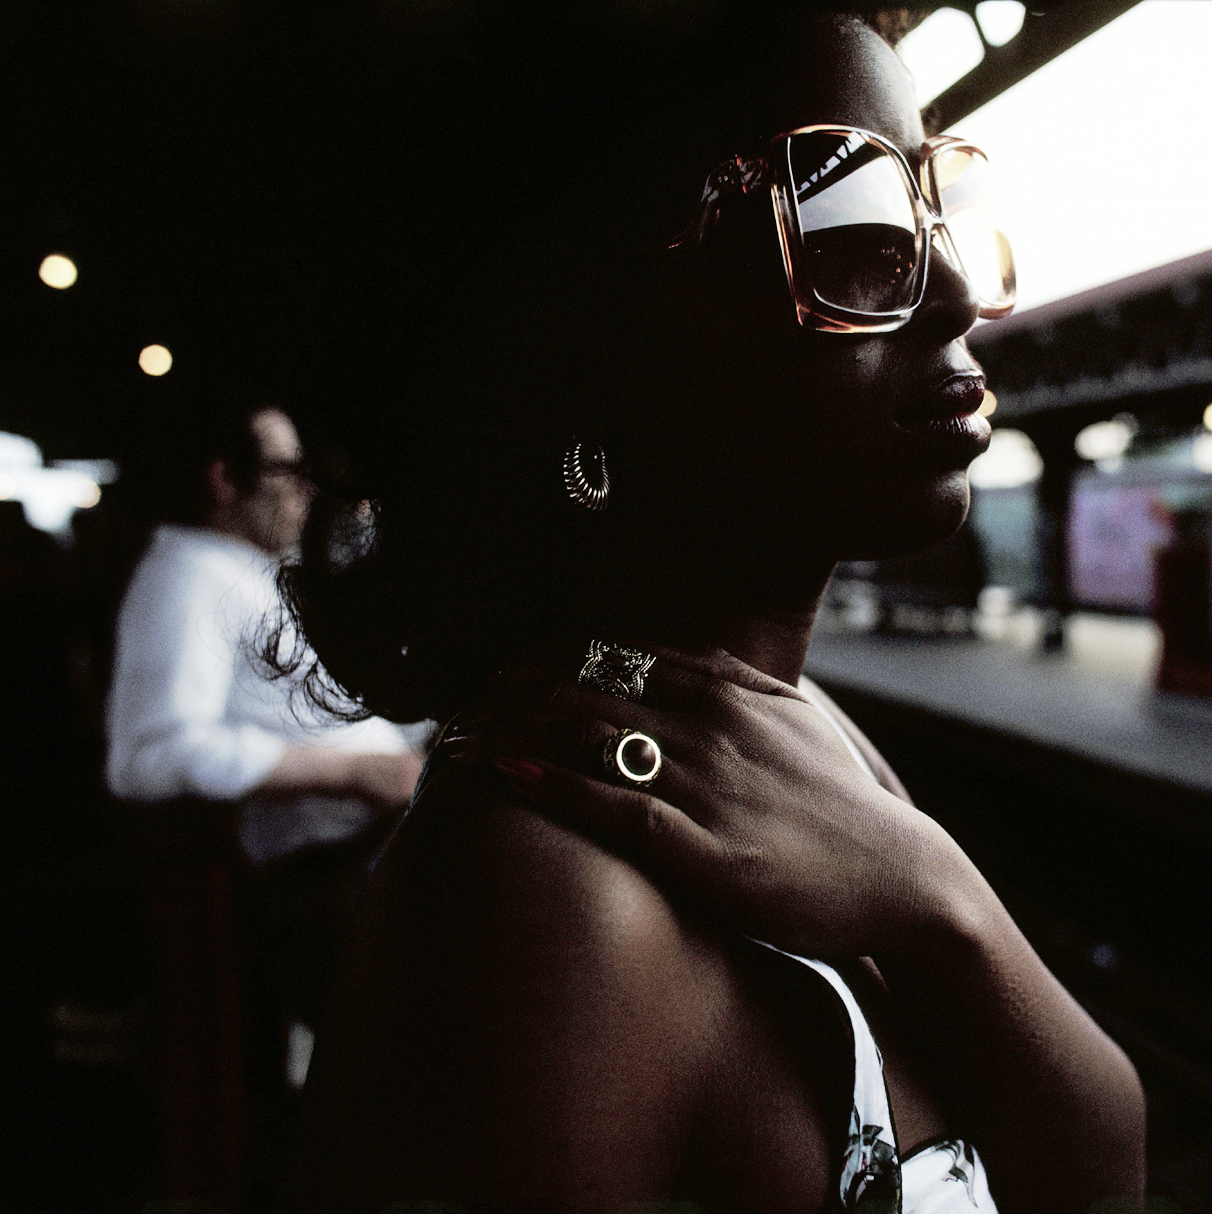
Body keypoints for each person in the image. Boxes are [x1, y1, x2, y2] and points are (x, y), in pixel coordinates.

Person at [267, 9, 1146, 1212]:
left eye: (935, 199)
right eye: (843, 213)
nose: (950, 287)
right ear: (586, 337)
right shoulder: (547, 903)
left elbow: (1101, 1166)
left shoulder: (792, 736)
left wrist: (942, 902)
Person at [104, 402, 423, 1021]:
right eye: (288, 469)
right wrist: (360, 772)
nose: (307, 489)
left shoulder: (240, 568)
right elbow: (148, 757)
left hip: (361, 854)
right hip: (329, 874)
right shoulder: (187, 572)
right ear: (225, 478)